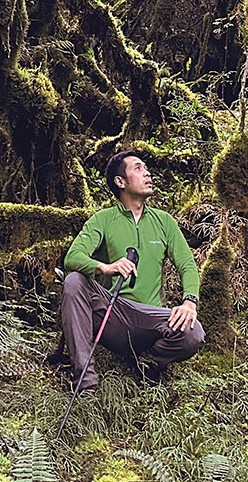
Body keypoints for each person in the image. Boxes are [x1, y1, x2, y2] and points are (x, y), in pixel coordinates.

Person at [59, 150, 205, 391]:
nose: (147, 172)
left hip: (149, 317)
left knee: (193, 333)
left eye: (146, 168)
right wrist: (105, 267)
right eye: (138, 168)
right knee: (74, 281)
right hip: (112, 314)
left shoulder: (163, 221)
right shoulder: (103, 219)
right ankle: (86, 381)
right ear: (120, 181)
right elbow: (72, 257)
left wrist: (189, 301)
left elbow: (187, 264)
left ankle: (147, 364)